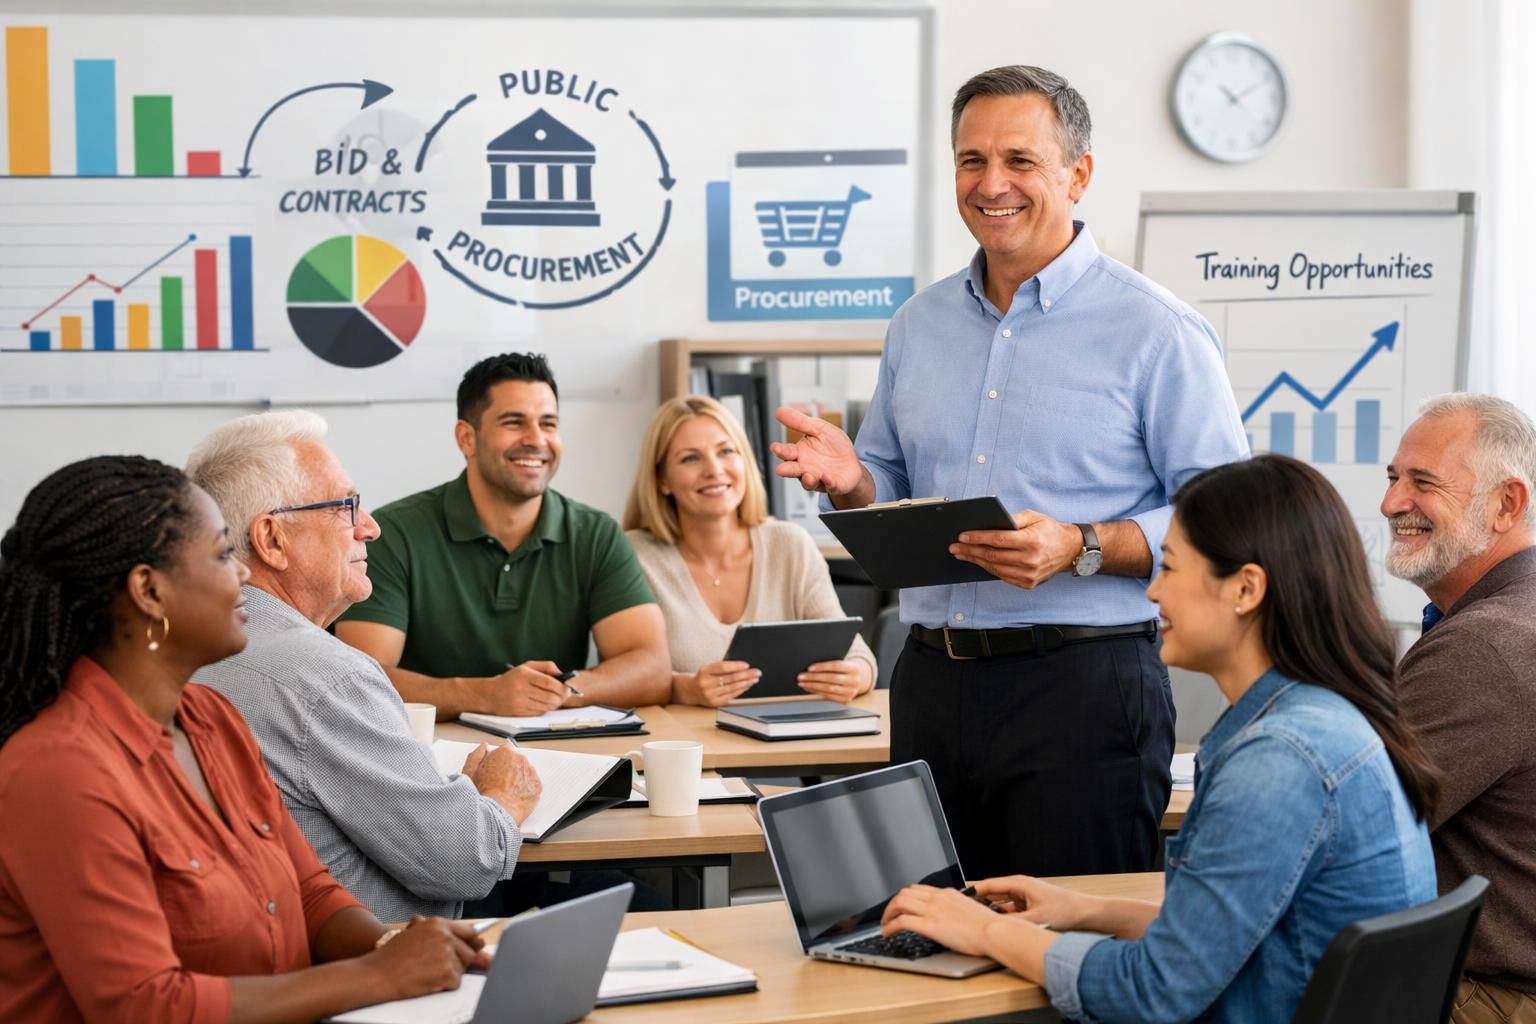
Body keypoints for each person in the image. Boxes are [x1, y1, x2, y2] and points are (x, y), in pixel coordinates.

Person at [770, 64, 1248, 879]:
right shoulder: (917, 326)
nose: (993, 184)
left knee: (1072, 961)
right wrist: (855, 479)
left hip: (1085, 688)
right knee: (921, 940)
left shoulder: (1158, 331)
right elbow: (885, 477)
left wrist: (1082, 544)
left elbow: (1229, 521)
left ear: (1078, 174)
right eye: (971, 161)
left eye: (1020, 161)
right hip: (929, 682)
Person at [879, 454, 1441, 1023]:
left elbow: (1154, 989)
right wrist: (1082, 910)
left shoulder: (1278, 762)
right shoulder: (1321, 719)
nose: (1153, 595)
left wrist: (983, 930)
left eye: (1169, 568)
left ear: (1246, 589)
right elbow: (1215, 935)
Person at [0, 456, 491, 1023]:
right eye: (220, 554)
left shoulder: (210, 719)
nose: (241, 574)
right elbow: (144, 1006)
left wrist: (391, 948)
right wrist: (376, 976)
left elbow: (309, 892)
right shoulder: (58, 771)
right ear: (149, 592)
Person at [187, 410, 542, 924]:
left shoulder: (185, 648)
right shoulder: (325, 675)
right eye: (345, 506)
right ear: (271, 540)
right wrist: (501, 796)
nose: (370, 528)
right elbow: (464, 861)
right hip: (372, 975)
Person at [335, 352, 669, 717]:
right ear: (467, 438)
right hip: (427, 762)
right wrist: (485, 696)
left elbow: (651, 668)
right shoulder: (393, 534)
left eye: (549, 423)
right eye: (514, 422)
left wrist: (555, 692)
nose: (536, 439)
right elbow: (361, 681)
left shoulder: (596, 533)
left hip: (564, 753)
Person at [1383, 393, 1536, 1022]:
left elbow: (1340, 832)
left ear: (1507, 505)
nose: (1392, 503)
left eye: (1423, 483)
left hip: (1485, 996)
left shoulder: (1483, 648)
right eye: (1393, 478)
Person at [622, 395, 876, 707]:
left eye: (726, 452)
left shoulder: (789, 545)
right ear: (662, 479)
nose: (714, 470)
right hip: (689, 750)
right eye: (691, 458)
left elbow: (858, 656)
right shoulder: (632, 556)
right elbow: (623, 673)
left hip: (785, 745)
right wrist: (682, 688)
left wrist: (855, 675)